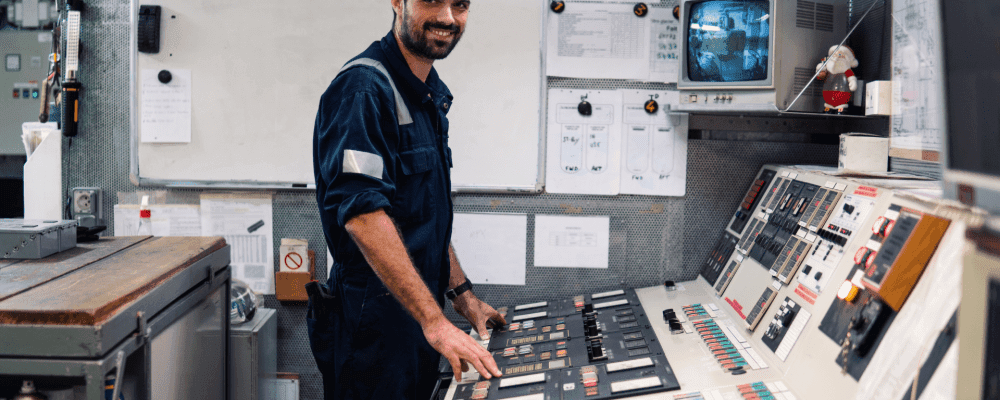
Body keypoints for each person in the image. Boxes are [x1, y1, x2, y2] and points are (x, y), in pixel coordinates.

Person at [309, 0, 506, 398]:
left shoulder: (426, 94)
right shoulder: (364, 89)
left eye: (460, 5)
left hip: (417, 313)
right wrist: (433, 321)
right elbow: (363, 215)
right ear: (397, 2)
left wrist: (461, 294)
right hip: (374, 323)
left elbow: (421, 215)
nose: (448, 17)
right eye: (432, 0)